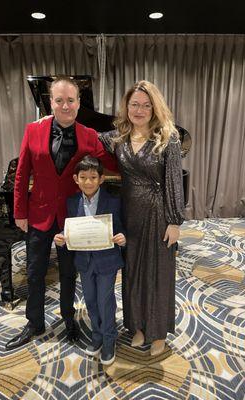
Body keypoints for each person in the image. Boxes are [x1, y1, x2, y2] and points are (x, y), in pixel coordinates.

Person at [5, 77, 118, 351]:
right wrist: (20, 211)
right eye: (59, 100)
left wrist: (138, 160)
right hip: (38, 214)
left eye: (70, 100)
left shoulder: (90, 136)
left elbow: (111, 162)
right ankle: (34, 322)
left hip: (72, 218)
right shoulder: (33, 130)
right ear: (50, 102)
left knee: (69, 273)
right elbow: (22, 174)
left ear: (79, 103)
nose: (65, 105)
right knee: (34, 272)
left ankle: (69, 321)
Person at [100, 80, 185, 356]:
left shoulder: (168, 136)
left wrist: (175, 221)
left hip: (159, 213)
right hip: (129, 213)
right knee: (133, 272)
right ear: (127, 107)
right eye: (134, 104)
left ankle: (158, 333)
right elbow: (88, 139)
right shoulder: (118, 137)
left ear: (154, 107)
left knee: (159, 273)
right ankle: (137, 327)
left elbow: (174, 180)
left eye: (146, 105)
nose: (139, 110)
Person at [54, 155, 126, 365]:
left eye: (93, 177)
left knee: (105, 301)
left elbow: (121, 228)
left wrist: (123, 238)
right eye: (83, 177)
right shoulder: (72, 202)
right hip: (84, 261)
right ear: (76, 179)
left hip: (107, 260)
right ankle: (96, 336)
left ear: (101, 179)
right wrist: (61, 238)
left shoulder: (113, 201)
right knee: (91, 300)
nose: (88, 182)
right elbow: (70, 231)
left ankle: (109, 338)